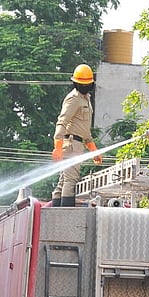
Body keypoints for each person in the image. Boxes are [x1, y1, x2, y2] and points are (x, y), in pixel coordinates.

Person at [50, 64, 101, 207]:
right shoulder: (73, 98)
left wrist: (94, 151)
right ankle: (66, 216)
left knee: (63, 181)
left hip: (77, 143)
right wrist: (58, 147)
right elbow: (62, 121)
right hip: (71, 144)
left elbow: (85, 131)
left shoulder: (86, 99)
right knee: (70, 180)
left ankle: (56, 213)